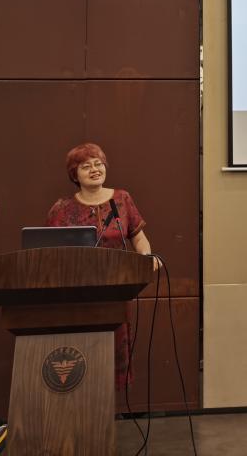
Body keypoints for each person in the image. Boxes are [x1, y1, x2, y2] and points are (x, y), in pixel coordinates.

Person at [46, 142, 157, 391]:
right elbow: (49, 251)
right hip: (76, 295)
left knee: (113, 352)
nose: (95, 169)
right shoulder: (62, 209)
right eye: (86, 166)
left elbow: (139, 238)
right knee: (80, 354)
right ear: (75, 174)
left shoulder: (122, 199)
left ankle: (106, 404)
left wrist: (146, 257)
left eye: (99, 164)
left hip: (116, 291)